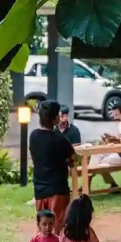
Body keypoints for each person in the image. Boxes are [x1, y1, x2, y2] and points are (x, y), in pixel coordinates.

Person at [30, 100, 76, 234]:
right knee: (57, 227)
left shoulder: (33, 136)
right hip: (58, 188)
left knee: (43, 226)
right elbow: (73, 158)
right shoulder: (60, 139)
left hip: (39, 188)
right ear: (55, 118)